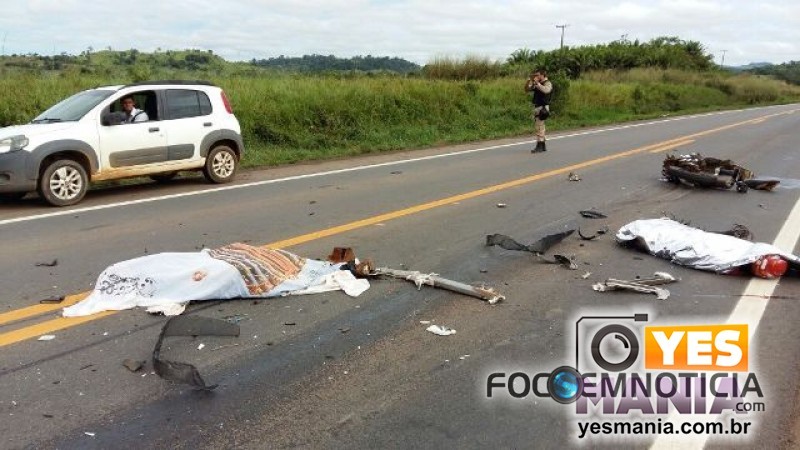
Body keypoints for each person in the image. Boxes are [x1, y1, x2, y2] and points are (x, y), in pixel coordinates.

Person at [524, 69, 553, 153]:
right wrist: (528, 81)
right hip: (537, 107)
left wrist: (537, 83)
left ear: (543, 75)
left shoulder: (548, 83)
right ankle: (543, 145)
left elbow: (546, 90)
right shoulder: (537, 83)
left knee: (539, 127)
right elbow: (527, 89)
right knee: (540, 126)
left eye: (538, 75)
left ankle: (539, 145)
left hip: (543, 107)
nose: (536, 76)